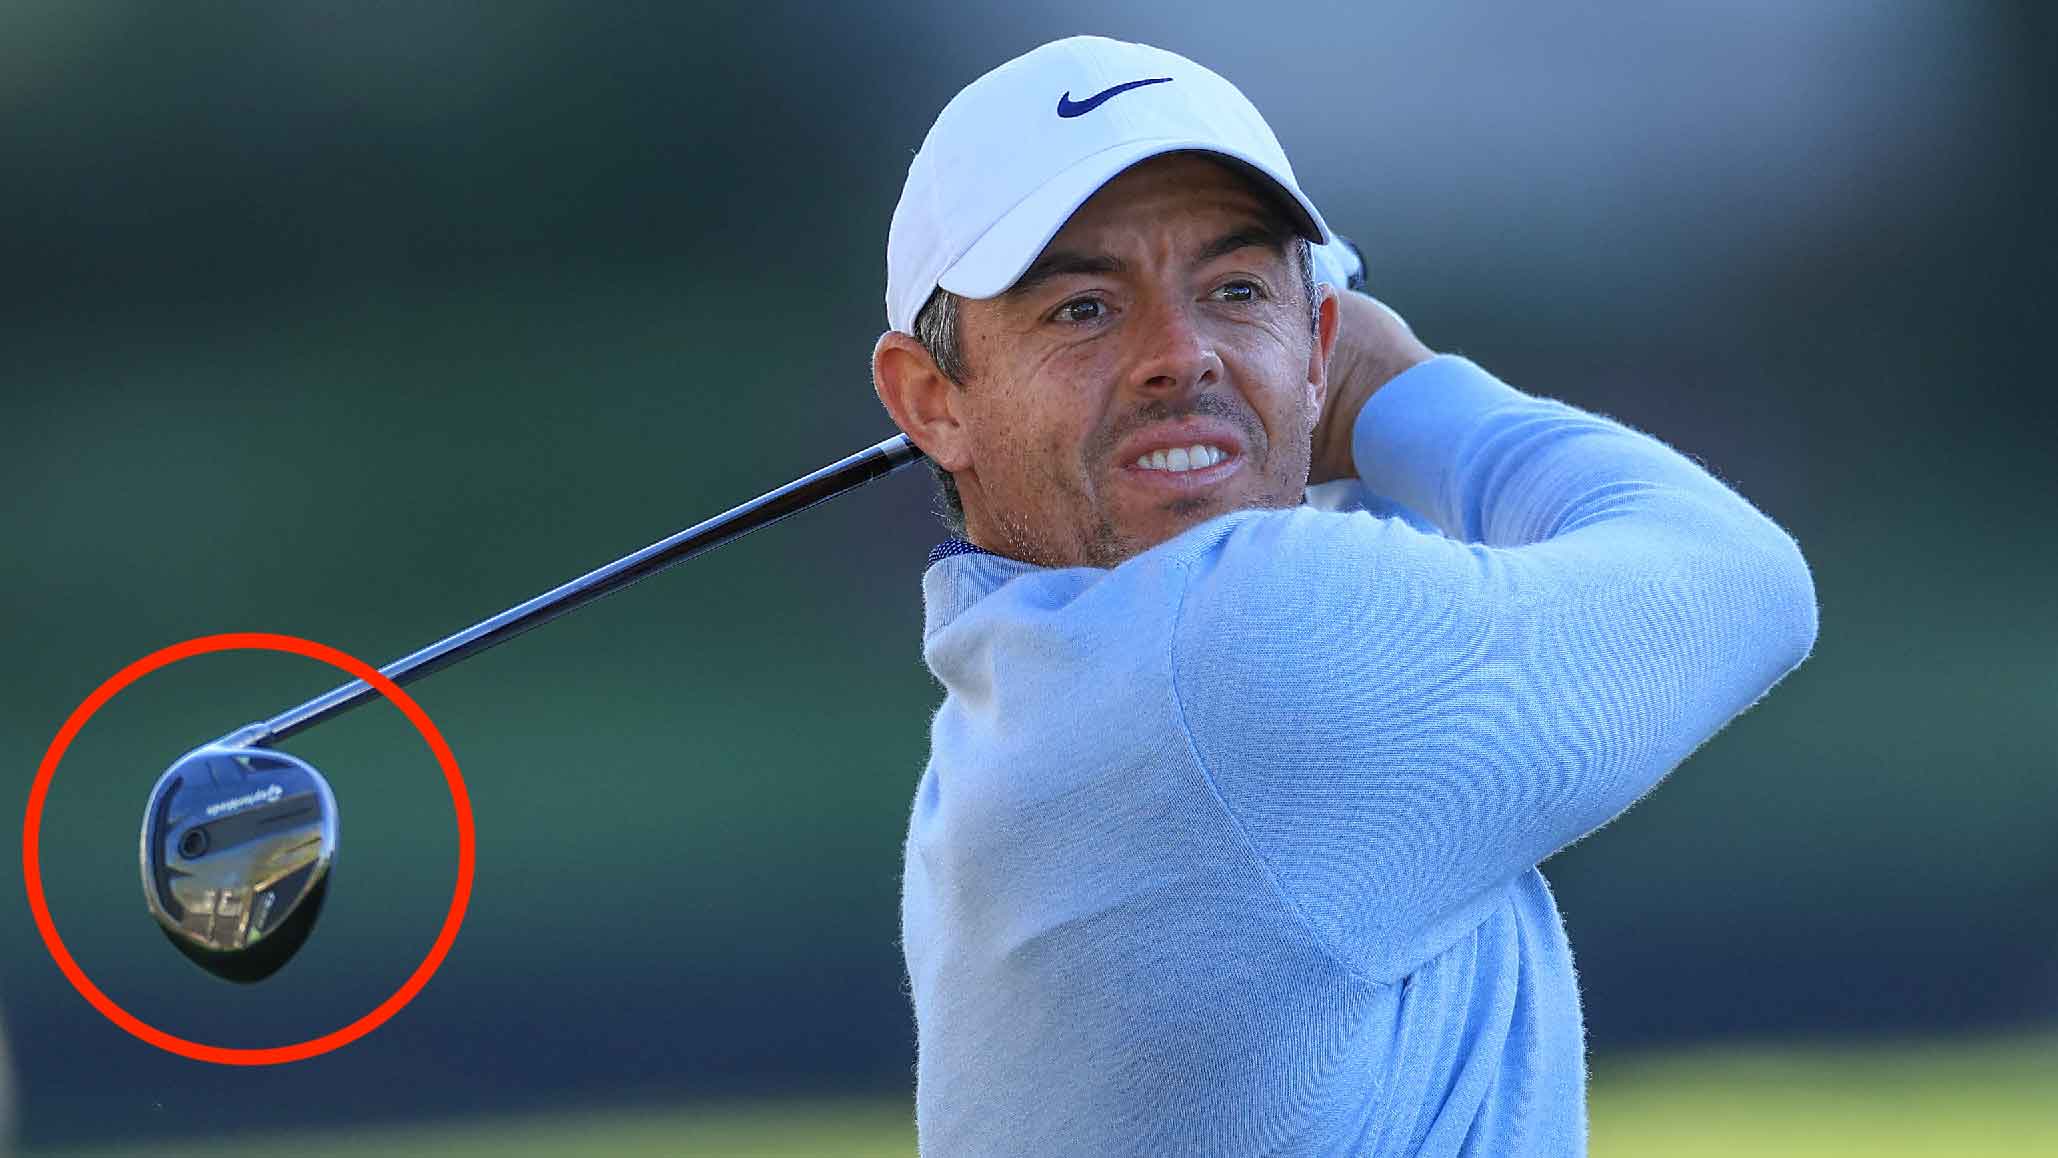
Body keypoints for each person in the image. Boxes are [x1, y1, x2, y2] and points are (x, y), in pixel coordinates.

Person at [870, 35, 1817, 1157]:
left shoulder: (1007, 718)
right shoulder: (1242, 649)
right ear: (931, 401)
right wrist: (1397, 390)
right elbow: (1741, 577)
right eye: (1083, 308)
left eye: (1235, 291)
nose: (1182, 355)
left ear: (1310, 341)